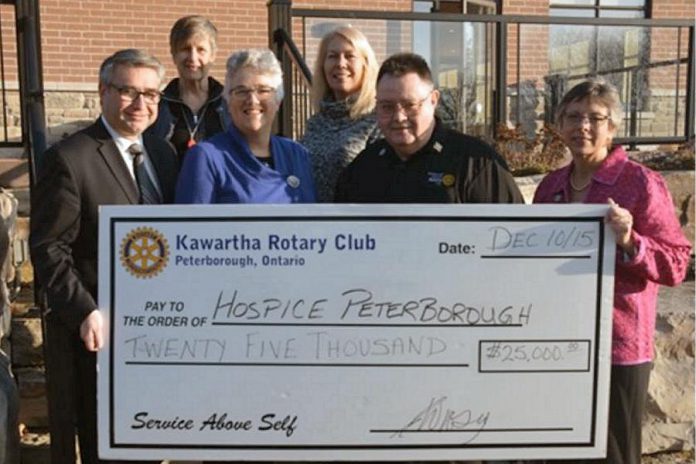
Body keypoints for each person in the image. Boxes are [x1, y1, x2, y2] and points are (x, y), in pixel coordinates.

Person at [30, 49, 178, 464]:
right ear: (102, 91)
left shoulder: (164, 156)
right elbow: (48, 245)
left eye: (151, 94)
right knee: (109, 446)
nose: (140, 103)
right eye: (128, 91)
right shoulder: (70, 158)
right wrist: (84, 310)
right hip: (102, 334)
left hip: (159, 329)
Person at [533, 79, 692, 464]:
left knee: (615, 454)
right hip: (558, 341)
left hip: (617, 345)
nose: (582, 126)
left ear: (613, 127)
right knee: (558, 447)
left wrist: (630, 240)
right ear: (559, 124)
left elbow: (675, 264)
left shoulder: (641, 183)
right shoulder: (550, 186)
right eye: (572, 116)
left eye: (595, 117)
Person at [335, 52, 523, 204]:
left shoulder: (476, 165)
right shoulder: (363, 169)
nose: (399, 117)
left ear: (433, 100)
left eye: (410, 105)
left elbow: (512, 240)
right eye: (387, 106)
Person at [175, 49, 316, 204]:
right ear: (228, 101)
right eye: (241, 91)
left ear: (278, 101)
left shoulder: (297, 155)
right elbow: (192, 227)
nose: (252, 100)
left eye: (263, 90)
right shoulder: (206, 157)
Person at [299, 26, 380, 202]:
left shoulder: (378, 121)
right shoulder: (315, 122)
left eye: (350, 56)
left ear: (366, 65)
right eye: (332, 56)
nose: (340, 63)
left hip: (354, 225)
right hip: (312, 224)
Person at [147, 15, 229, 162]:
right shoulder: (158, 105)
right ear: (173, 54)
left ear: (213, 56)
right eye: (185, 49)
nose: (192, 57)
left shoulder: (229, 104)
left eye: (201, 50)